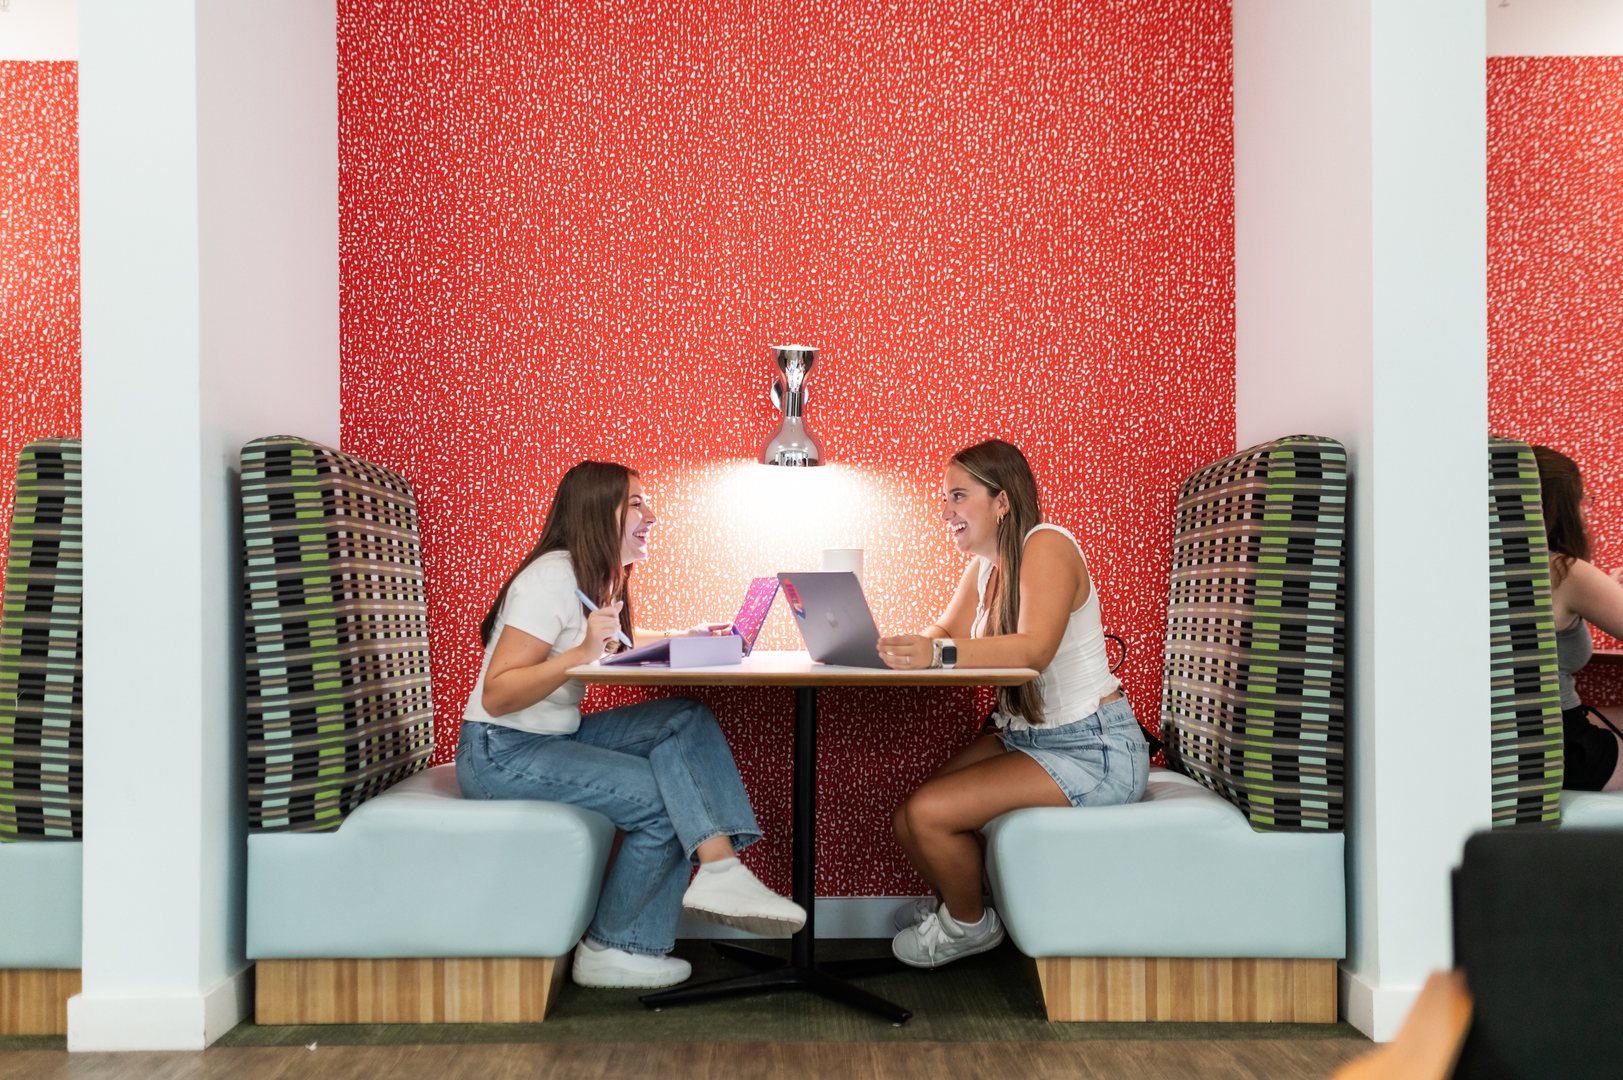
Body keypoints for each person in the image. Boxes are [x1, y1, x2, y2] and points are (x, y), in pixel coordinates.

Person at [456, 460, 805, 990]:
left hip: (549, 738)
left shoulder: (592, 576)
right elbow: (498, 694)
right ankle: (613, 947)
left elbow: (608, 648)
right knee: (664, 798)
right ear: (599, 512)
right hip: (499, 752)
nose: (652, 515)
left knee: (683, 717)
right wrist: (579, 653)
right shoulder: (552, 577)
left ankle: (721, 870)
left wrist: (680, 640)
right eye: (636, 504)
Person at [879, 439, 1150, 969]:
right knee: (909, 817)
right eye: (945, 499)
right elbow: (946, 632)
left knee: (930, 815)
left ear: (1002, 501)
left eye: (958, 496)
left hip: (1093, 750)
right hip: (1027, 737)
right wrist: (902, 648)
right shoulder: (986, 567)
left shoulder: (1046, 545)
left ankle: (969, 927)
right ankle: (963, 907)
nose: (946, 511)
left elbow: (1032, 650)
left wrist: (937, 654)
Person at [1533, 445, 1623, 792]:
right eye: (1584, 502)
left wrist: (1600, 587)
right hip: (1567, 751)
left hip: (1525, 741)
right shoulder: (1565, 571)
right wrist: (1593, 584)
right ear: (1563, 507)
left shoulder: (1490, 565)